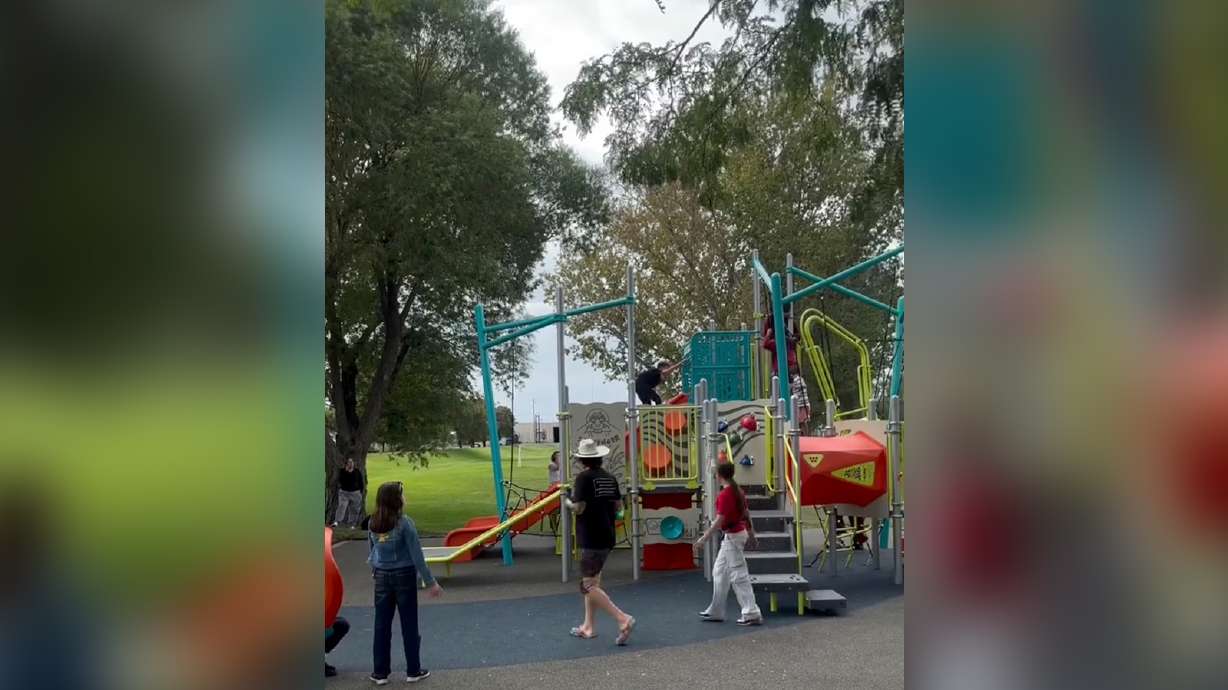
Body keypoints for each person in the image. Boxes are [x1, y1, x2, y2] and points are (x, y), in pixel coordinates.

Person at [367, 481, 443, 685]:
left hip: (382, 577)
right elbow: (417, 556)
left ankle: (380, 673)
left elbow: (372, 550)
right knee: (409, 624)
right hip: (404, 576)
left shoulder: (373, 522)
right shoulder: (405, 523)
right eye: (402, 494)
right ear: (396, 499)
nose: (405, 498)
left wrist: (375, 570)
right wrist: (431, 582)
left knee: (381, 625)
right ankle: (413, 670)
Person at [564, 439, 636, 644]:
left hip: (590, 535)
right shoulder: (610, 478)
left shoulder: (583, 479)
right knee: (594, 583)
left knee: (587, 586)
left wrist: (567, 500)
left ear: (581, 459)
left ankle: (623, 619)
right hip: (607, 535)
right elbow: (619, 509)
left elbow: (579, 508)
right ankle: (589, 626)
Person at [693, 462, 764, 625]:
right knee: (719, 572)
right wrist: (752, 533)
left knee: (739, 575)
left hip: (733, 536)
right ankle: (716, 610)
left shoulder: (725, 495)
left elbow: (720, 520)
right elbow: (746, 514)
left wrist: (704, 538)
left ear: (719, 475)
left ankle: (751, 612)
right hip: (735, 535)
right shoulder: (737, 491)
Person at [333, 458, 364, 528]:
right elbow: (341, 481)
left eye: (352, 462)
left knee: (354, 509)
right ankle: (337, 522)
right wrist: (347, 472)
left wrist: (360, 492)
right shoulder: (342, 471)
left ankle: (352, 524)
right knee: (341, 507)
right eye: (349, 462)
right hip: (344, 493)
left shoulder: (357, 471)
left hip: (355, 493)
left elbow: (360, 482)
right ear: (346, 463)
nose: (351, 463)